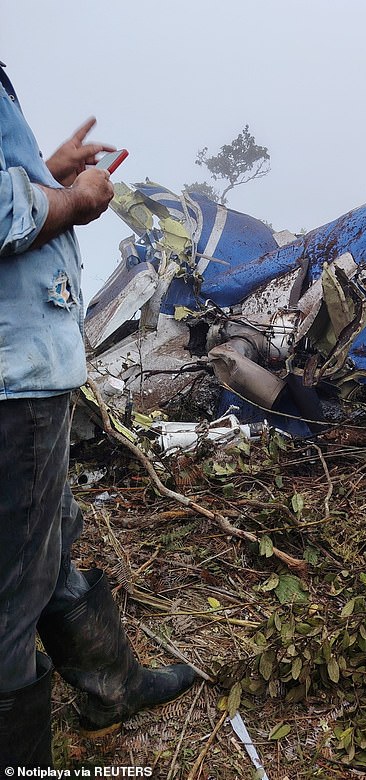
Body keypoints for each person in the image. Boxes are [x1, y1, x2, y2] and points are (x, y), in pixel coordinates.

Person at [0, 62, 196, 769]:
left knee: (43, 542)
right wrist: (75, 201)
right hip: (11, 381)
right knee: (8, 601)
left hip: (27, 375)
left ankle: (114, 690)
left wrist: (44, 169)